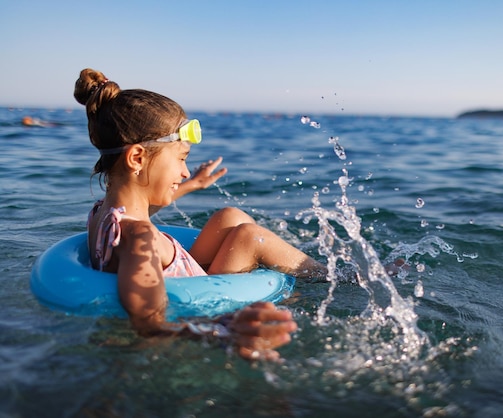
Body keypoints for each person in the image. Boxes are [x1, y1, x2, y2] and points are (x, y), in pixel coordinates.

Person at [73, 68, 327, 361]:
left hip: (192, 280)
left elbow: (141, 210)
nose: (183, 171)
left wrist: (194, 184)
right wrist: (223, 332)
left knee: (229, 216)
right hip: (204, 302)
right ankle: (336, 277)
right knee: (249, 237)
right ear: (137, 158)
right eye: (181, 158)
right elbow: (148, 323)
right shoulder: (139, 238)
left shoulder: (103, 215)